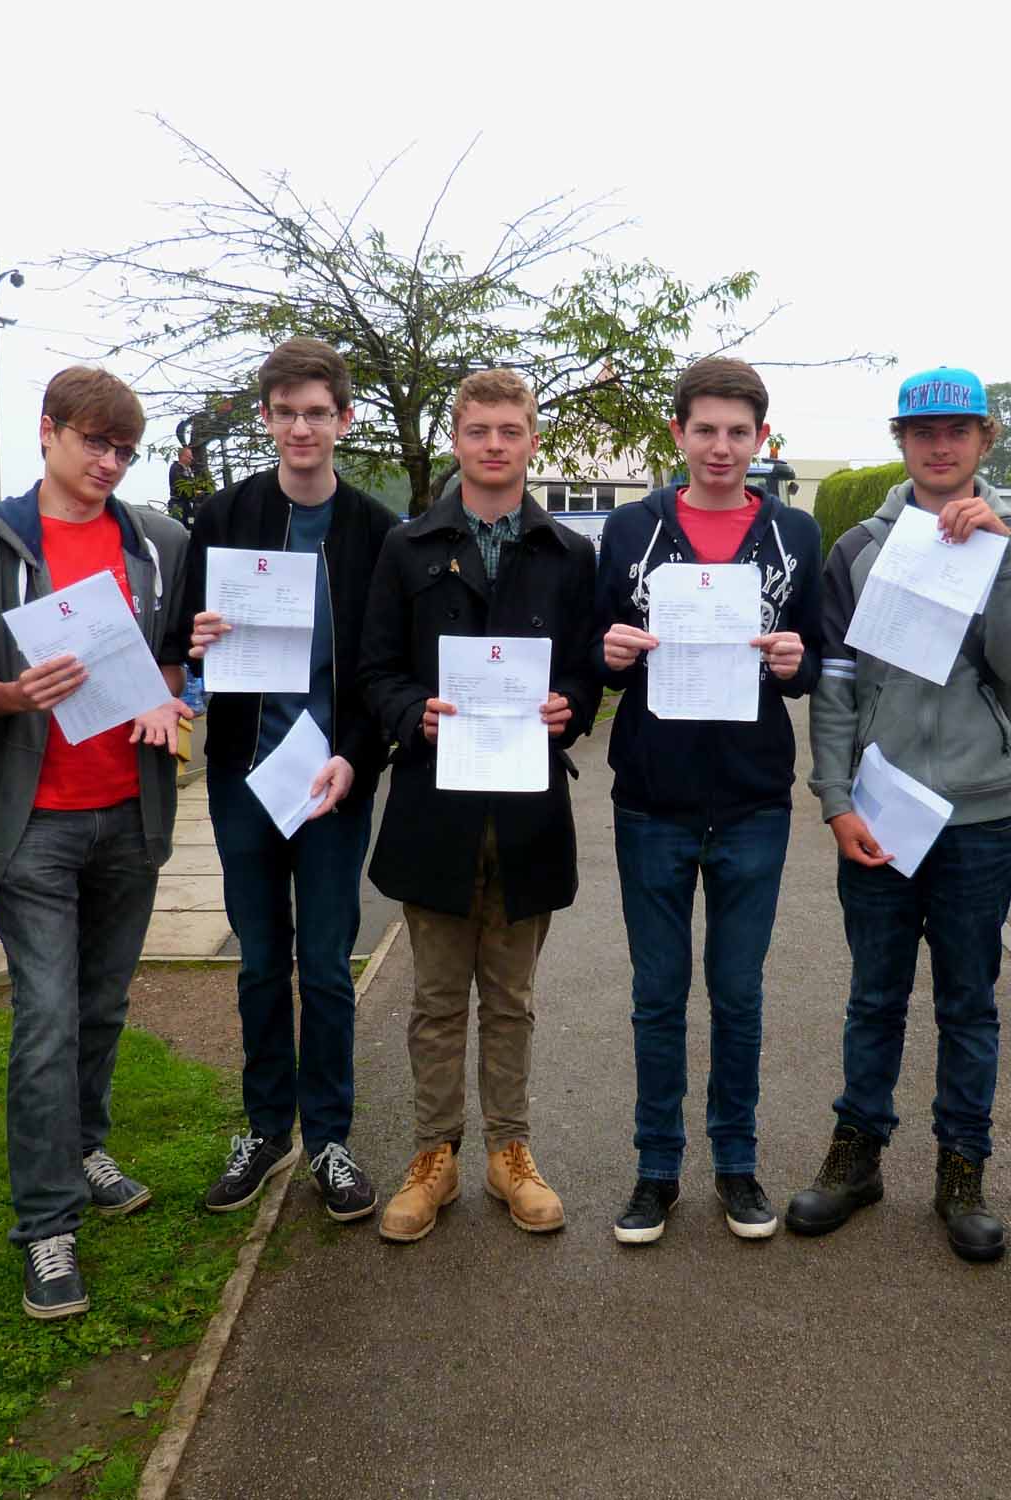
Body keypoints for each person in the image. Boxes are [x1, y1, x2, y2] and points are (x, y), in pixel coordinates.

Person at [0, 366, 194, 1320]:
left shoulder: (156, 542)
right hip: (35, 819)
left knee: (99, 1006)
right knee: (44, 1019)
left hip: (131, 813)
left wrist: (171, 695)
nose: (108, 463)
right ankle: (46, 1227)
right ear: (47, 432)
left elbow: (168, 658)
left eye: (123, 450)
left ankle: (85, 1143)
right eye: (93, 442)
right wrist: (15, 695)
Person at [790, 366, 1011, 1262]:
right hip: (880, 810)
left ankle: (961, 1169)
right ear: (903, 440)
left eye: (959, 431)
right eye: (923, 432)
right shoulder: (859, 547)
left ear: (985, 440)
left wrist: (1004, 552)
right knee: (874, 996)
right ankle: (857, 1155)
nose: (941, 447)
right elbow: (833, 687)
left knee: (970, 1003)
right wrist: (834, 801)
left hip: (977, 816)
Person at [358, 367, 600, 1243]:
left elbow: (586, 671)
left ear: (533, 441)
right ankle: (434, 1156)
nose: (494, 445)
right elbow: (376, 668)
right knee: (433, 999)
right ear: (457, 440)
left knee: (512, 999)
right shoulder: (408, 547)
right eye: (479, 431)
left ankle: (510, 1151)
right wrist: (405, 712)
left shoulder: (571, 555)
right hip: (437, 806)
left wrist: (571, 707)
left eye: (511, 430)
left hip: (529, 811)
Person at [593, 357, 821, 1243]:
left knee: (737, 992)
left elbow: (817, 660)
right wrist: (607, 654)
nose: (722, 446)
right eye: (705, 429)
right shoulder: (629, 530)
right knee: (657, 994)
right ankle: (656, 1170)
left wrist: (798, 667)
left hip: (754, 801)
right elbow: (592, 644)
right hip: (651, 799)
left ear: (761, 439)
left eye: (740, 431)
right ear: (679, 433)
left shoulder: (795, 534)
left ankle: (736, 1164)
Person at [182, 338, 400, 1221]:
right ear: (266, 419)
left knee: (328, 966)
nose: (301, 426)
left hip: (332, 776)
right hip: (243, 774)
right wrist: (191, 640)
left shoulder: (376, 532)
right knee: (260, 959)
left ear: (344, 421)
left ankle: (332, 1138)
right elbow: (179, 645)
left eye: (318, 412)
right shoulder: (225, 517)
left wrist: (358, 755)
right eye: (285, 411)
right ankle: (266, 1127)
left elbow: (384, 664)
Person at [167, 446, 204, 529]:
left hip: (188, 506)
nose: (191, 458)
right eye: (189, 456)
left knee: (191, 523)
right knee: (178, 526)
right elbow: (183, 485)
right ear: (182, 457)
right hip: (177, 504)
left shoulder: (190, 470)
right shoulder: (176, 468)